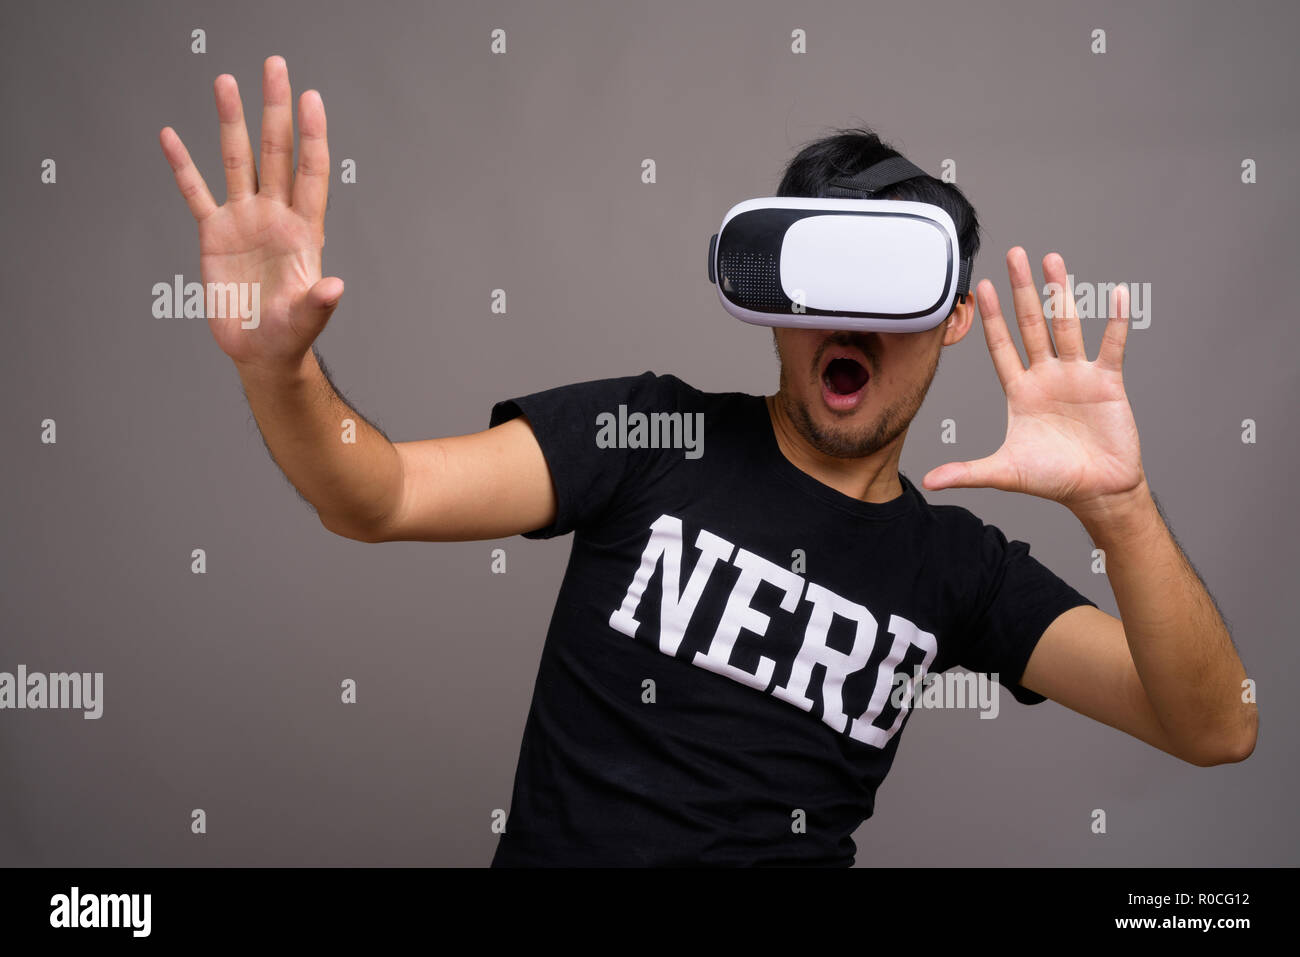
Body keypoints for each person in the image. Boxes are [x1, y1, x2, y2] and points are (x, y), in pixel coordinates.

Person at [158, 56, 1258, 867]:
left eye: (888, 293)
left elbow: (1215, 728)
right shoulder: (647, 436)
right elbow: (377, 495)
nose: (852, 327)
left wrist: (1120, 510)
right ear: (772, 303)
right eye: (821, 283)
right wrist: (277, 369)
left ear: (953, 319)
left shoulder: (954, 568)